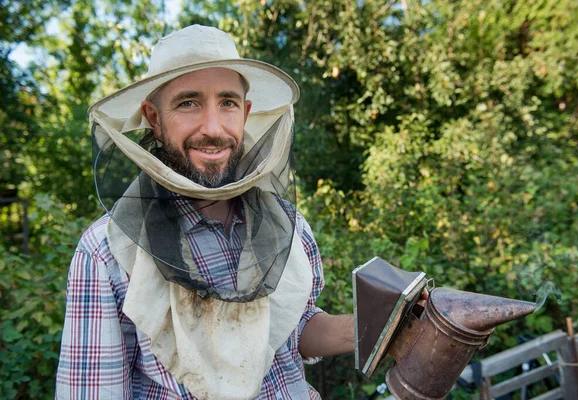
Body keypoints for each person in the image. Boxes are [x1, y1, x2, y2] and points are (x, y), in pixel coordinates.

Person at [55, 25, 355, 400]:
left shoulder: (288, 226)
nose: (213, 128)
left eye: (227, 102)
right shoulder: (105, 251)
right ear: (153, 117)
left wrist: (381, 326)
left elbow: (293, 330)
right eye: (188, 103)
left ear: (245, 113)